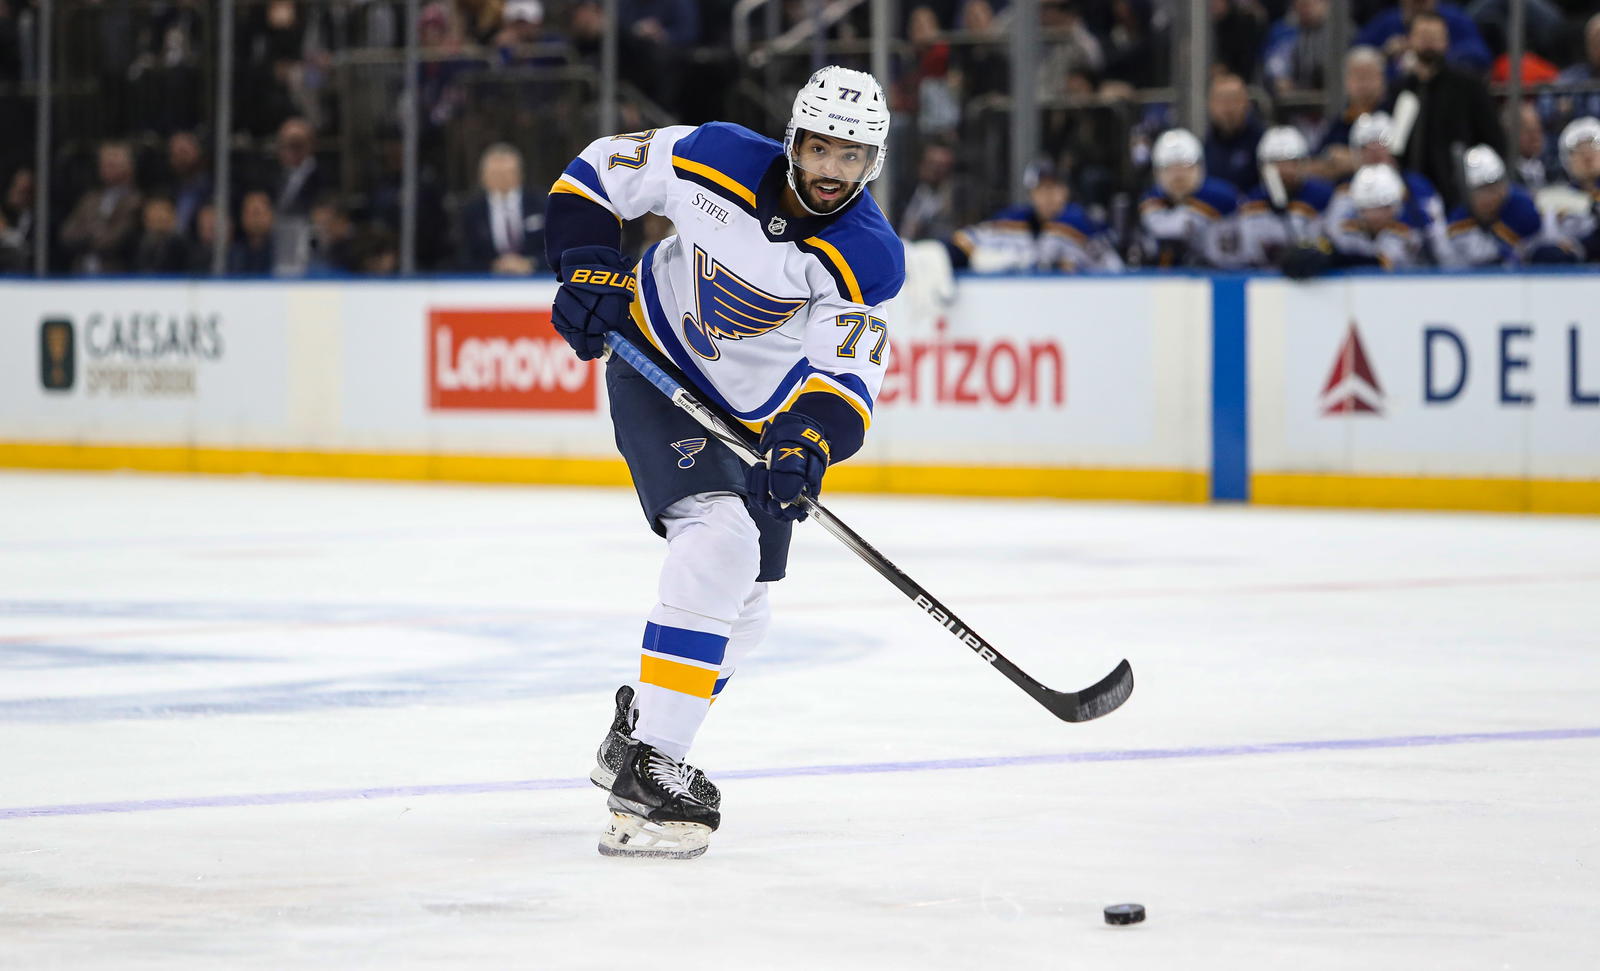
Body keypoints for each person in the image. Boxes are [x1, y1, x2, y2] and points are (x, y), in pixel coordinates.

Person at [544, 66, 904, 859]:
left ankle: (636, 731)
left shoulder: (866, 256)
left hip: (753, 418)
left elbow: (846, 374)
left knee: (748, 606)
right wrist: (588, 264)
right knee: (721, 539)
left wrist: (809, 435)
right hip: (653, 361)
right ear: (792, 141)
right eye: (819, 149)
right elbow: (598, 171)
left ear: (872, 163)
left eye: (851, 157)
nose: (830, 172)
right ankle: (652, 770)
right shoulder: (715, 157)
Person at [1393, 11, 1506, 210]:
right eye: (1423, 37)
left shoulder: (1468, 86)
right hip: (1410, 196)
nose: (1429, 44)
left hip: (1458, 195)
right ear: (1410, 40)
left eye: (1435, 38)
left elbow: (1492, 138)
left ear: (1446, 42)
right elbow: (1394, 143)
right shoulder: (1402, 88)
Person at [947, 159, 1122, 272]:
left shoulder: (1077, 221)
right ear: (1031, 194)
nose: (1048, 196)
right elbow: (964, 242)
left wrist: (1009, 260)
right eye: (1041, 189)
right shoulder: (1015, 221)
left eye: (1054, 188)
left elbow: (1115, 270)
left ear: (1065, 191)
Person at [1137, 127, 1242, 268]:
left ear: (1200, 168)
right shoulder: (1149, 202)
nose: (1178, 176)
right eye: (1169, 168)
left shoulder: (1223, 199)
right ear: (1157, 173)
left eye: (1186, 167)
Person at [1237, 126, 1335, 268]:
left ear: (1304, 163)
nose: (1285, 170)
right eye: (1276, 164)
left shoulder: (1324, 197)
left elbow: (1336, 242)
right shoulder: (1251, 203)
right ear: (1262, 167)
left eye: (1292, 163)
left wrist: (1322, 254)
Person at [1443, 145, 1556, 266]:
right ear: (1468, 193)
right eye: (1482, 190)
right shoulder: (1457, 224)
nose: (1491, 196)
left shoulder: (1525, 209)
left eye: (1495, 187)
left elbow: (1553, 245)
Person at [1325, 163, 1431, 269]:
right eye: (1369, 208)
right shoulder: (1343, 234)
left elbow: (1383, 264)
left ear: (1395, 208)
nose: (1376, 215)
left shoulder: (1407, 237)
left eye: (1383, 208)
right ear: (1359, 209)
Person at [460, 143, 545, 273]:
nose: (502, 179)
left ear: (520, 175)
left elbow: (559, 248)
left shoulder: (542, 204)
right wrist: (493, 266)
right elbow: (462, 256)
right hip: (486, 285)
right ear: (483, 177)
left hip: (537, 283)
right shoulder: (472, 211)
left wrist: (531, 263)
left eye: (508, 173)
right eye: (495, 173)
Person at [1318, 46, 1389, 179]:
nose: (1363, 84)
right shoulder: (1342, 120)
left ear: (1382, 80)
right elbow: (1320, 159)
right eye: (1357, 77)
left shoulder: (1393, 114)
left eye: (1369, 76)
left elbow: (1398, 160)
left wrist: (1355, 160)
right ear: (1346, 82)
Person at [1535, 117, 1600, 263]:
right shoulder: (1554, 198)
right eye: (1578, 150)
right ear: (1566, 158)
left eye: (1593, 146)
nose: (1587, 156)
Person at [1203, 73, 1265, 194]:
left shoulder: (1264, 142)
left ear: (1247, 103)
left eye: (1234, 99)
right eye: (1221, 100)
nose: (1228, 107)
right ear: (1210, 105)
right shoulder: (1203, 146)